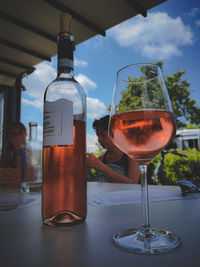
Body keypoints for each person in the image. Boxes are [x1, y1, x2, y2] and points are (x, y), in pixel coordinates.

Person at [86, 115, 140, 184]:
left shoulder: (132, 156)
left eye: (103, 134)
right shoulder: (101, 159)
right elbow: (96, 182)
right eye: (98, 135)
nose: (99, 139)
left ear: (116, 133)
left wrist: (100, 166)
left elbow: (132, 184)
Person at [0, 121, 34, 188]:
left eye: (20, 133)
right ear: (8, 136)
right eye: (14, 133)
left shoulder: (27, 149)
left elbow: (24, 173)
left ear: (25, 135)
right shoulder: (8, 151)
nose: (17, 136)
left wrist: (19, 149)